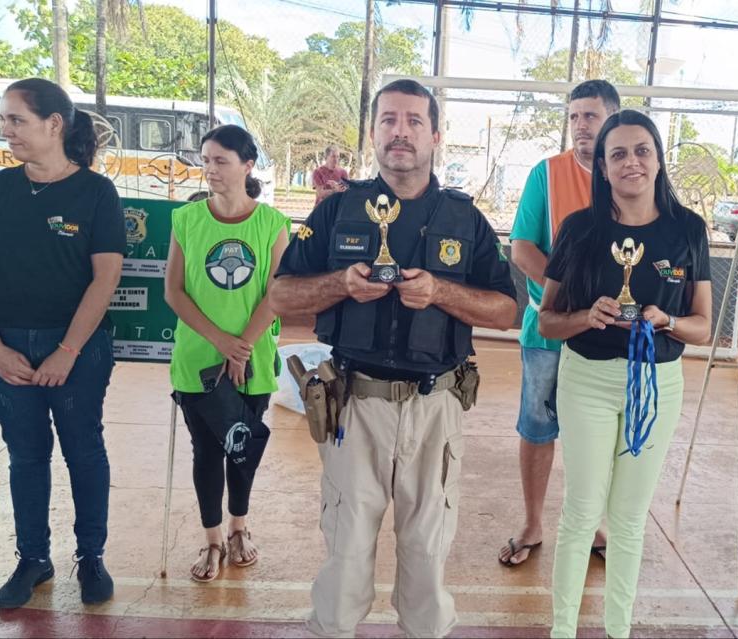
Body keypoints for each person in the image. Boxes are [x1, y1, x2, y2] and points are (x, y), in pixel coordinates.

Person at [269, 79, 517, 638]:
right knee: (347, 547)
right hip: (354, 405)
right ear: (373, 133)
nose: (399, 132)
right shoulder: (338, 212)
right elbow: (281, 296)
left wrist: (442, 292)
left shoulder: (465, 219)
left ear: (434, 134)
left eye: (411, 121)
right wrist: (340, 284)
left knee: (428, 549)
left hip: (437, 406)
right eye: (387, 120)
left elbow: (505, 311)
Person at [538, 109, 712, 638]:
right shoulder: (580, 229)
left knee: (630, 519)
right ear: (604, 168)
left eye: (641, 150)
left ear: (658, 158)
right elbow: (547, 318)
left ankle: (619, 630)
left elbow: (703, 327)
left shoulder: (688, 229)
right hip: (586, 380)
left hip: (656, 385)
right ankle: (562, 630)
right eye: (618, 154)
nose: (631, 162)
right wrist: (582, 316)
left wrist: (669, 321)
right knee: (581, 511)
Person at [0, 78, 124, 608]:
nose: (7, 130)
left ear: (54, 124)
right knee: (25, 456)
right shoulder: (1, 188)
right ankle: (33, 559)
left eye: (16, 120)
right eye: (4, 120)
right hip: (8, 349)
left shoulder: (96, 192)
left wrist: (67, 350)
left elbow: (106, 277)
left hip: (78, 350)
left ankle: (90, 557)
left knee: (83, 451)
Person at [500, 79, 620, 568]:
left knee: (597, 433)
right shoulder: (546, 175)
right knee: (537, 427)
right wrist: (566, 297)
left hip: (611, 336)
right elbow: (522, 246)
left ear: (613, 118)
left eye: (590, 115)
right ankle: (532, 521)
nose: (579, 125)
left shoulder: (632, 175)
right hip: (547, 331)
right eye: (573, 116)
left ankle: (594, 520)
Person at [164, 124, 290, 582]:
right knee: (206, 452)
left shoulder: (273, 224)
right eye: (206, 160)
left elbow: (276, 293)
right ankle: (213, 539)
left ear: (247, 165)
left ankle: (240, 528)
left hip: (254, 360)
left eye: (221, 160)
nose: (211, 169)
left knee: (242, 447)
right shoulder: (186, 220)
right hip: (198, 361)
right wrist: (220, 342)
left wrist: (242, 348)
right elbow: (174, 292)